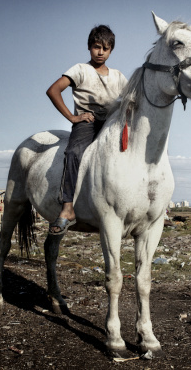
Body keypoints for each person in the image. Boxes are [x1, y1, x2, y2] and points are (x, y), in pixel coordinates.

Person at [47, 25, 127, 235]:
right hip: (87, 123)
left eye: (106, 48)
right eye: (96, 47)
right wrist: (73, 117)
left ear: (111, 51)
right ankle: (67, 207)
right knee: (74, 153)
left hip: (110, 124)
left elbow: (131, 100)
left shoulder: (118, 76)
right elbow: (53, 90)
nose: (101, 52)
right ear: (89, 47)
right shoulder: (80, 70)